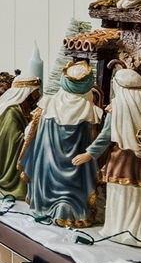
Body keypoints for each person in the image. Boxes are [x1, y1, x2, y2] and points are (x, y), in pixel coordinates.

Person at [20, 57, 104, 228]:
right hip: (75, 171)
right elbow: (95, 140)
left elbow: (30, 134)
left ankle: (46, 205)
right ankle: (69, 209)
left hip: (48, 167)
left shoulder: (49, 103)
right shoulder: (89, 111)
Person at [88, 61, 141, 243]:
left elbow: (106, 135)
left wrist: (89, 153)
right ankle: (140, 231)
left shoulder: (117, 106)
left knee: (121, 197)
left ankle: (119, 230)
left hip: (121, 159)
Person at [0, 48, 43, 200]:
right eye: (34, 93)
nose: (36, 97)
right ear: (25, 93)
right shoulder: (12, 111)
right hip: (5, 167)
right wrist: (30, 134)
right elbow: (12, 141)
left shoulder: (22, 108)